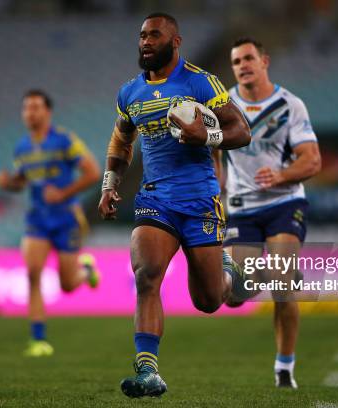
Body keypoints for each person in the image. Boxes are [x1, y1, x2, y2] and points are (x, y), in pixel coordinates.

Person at [98, 13, 250, 398]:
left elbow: (241, 131)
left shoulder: (200, 82)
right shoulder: (129, 93)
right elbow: (120, 141)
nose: (146, 42)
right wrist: (110, 184)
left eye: (154, 35)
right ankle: (148, 370)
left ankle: (230, 273)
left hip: (199, 200)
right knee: (146, 275)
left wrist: (206, 134)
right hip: (155, 200)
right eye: (142, 35)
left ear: (175, 41)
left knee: (209, 300)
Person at [221, 38, 322, 388]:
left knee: (283, 288)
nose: (243, 65)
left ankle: (284, 367)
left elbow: (312, 159)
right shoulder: (223, 106)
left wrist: (281, 175)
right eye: (236, 62)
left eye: (249, 58)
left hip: (284, 203)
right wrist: (215, 189)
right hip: (240, 208)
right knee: (233, 295)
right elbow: (213, 154)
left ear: (264, 61)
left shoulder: (290, 104)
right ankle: (276, 271)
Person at [0, 89, 101, 357]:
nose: (30, 113)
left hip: (66, 217)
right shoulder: (21, 147)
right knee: (33, 275)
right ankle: (38, 340)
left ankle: (86, 271)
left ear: (47, 112)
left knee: (67, 286)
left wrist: (63, 194)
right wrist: (8, 183)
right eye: (26, 108)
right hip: (38, 219)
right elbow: (22, 181)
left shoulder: (65, 140)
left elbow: (92, 172)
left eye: (35, 107)